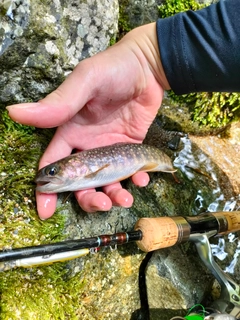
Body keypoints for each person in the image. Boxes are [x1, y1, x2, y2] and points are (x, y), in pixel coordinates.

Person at [6, 0, 240, 220]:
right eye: (52, 172)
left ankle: (174, 169)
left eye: (53, 170)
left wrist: (152, 56)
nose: (47, 176)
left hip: (160, 159)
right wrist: (149, 57)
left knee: (160, 168)